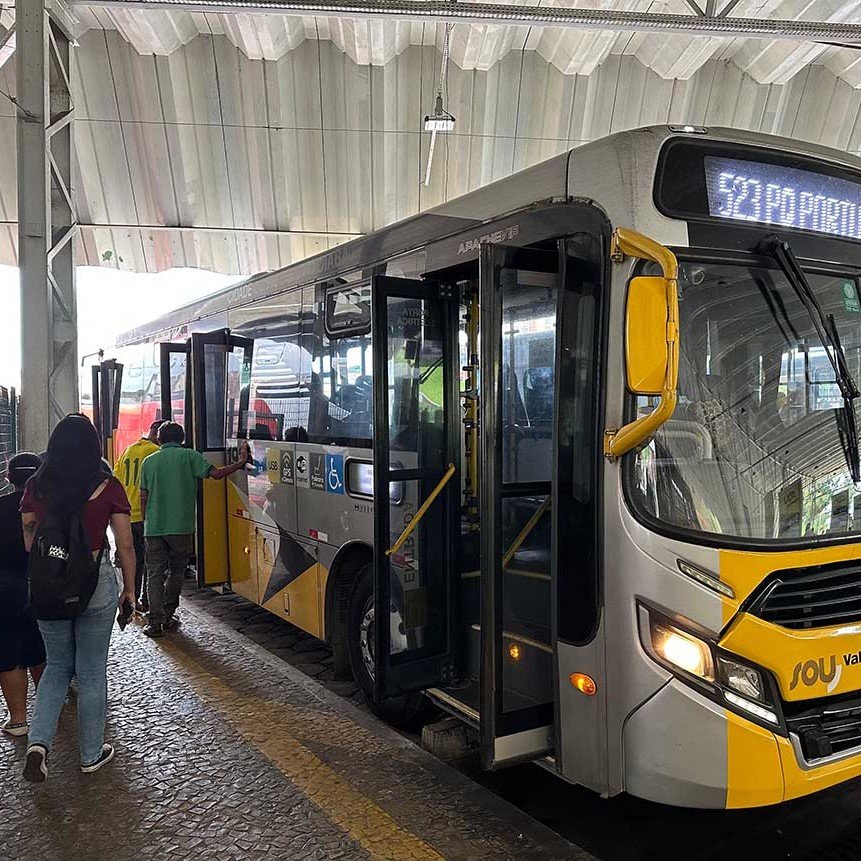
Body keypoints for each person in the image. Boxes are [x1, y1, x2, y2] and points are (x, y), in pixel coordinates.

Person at [20, 414, 136, 782]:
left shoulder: (36, 487)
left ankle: (38, 745)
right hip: (95, 583)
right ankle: (90, 753)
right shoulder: (108, 486)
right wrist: (130, 589)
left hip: (48, 582)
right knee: (90, 670)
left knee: (56, 666)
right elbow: (126, 547)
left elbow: (29, 542)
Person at [140, 422, 249, 638]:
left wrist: (147, 521)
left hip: (154, 527)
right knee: (177, 571)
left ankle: (155, 622)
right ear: (181, 439)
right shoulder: (190, 457)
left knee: (154, 573)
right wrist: (241, 462)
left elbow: (144, 497)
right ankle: (169, 614)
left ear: (159, 440)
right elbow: (216, 475)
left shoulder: (149, 462)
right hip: (181, 527)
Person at [0, 453, 45, 737]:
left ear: (8, 478)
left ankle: (18, 720)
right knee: (43, 648)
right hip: (44, 587)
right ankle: (47, 708)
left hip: (4, 589)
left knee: (9, 653)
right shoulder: (48, 509)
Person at [114, 421, 161, 613]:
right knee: (150, 559)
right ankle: (145, 598)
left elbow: (116, 477)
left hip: (125, 514)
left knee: (134, 559)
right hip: (144, 513)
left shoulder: (128, 450)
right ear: (158, 435)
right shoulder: (154, 452)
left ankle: (132, 595)